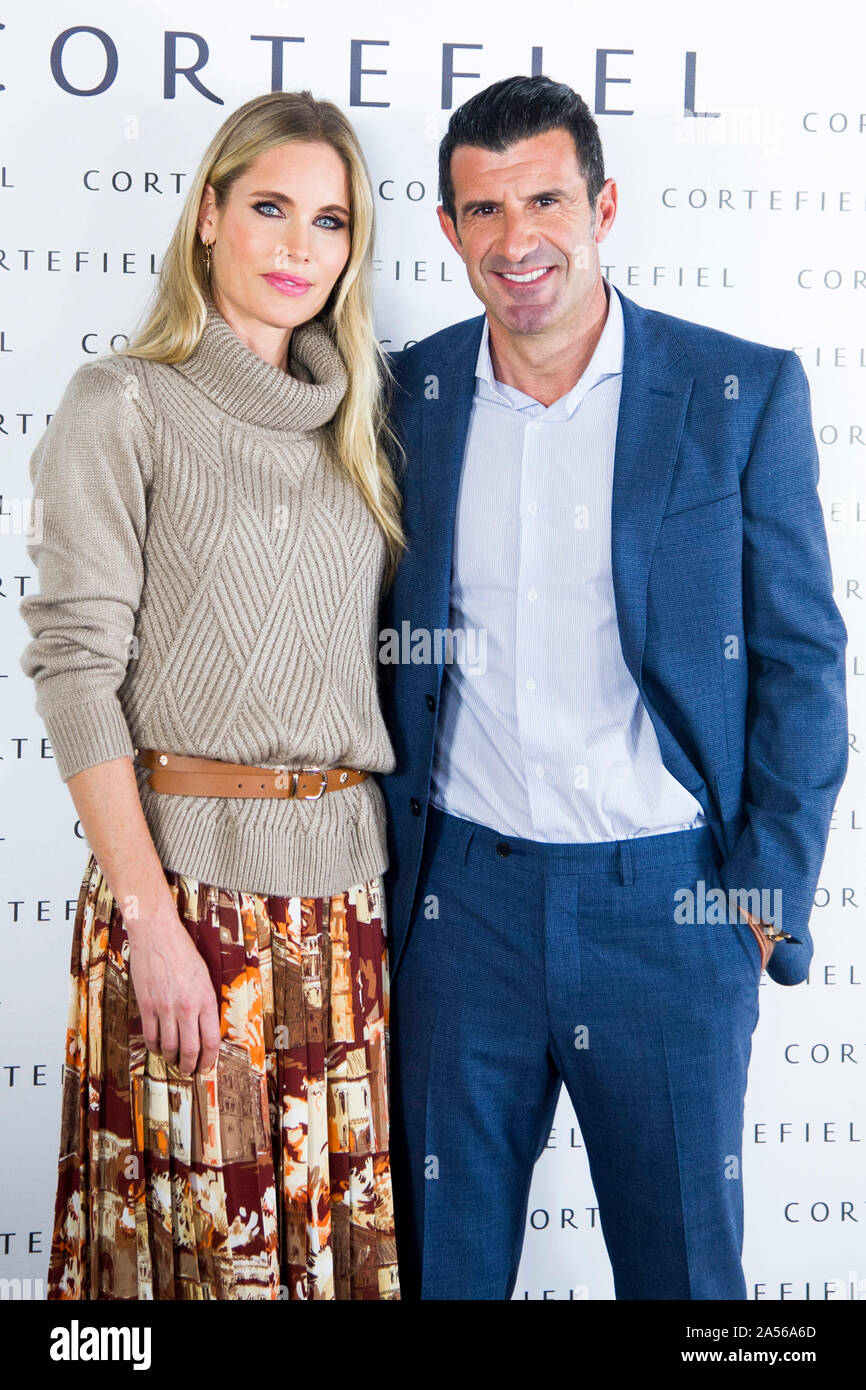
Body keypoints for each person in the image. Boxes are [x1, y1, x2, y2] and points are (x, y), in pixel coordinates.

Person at [377, 74, 849, 1300]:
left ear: (603, 206)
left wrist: (763, 890)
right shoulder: (407, 399)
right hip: (458, 915)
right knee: (443, 1270)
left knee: (688, 1278)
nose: (514, 239)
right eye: (482, 211)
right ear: (447, 230)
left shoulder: (736, 392)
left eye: (543, 199)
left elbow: (798, 661)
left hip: (669, 910)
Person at [19, 89, 404, 1300]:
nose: (299, 247)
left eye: (330, 220)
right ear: (206, 217)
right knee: (188, 1260)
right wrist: (150, 925)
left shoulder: (360, 425)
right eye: (271, 208)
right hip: (184, 904)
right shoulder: (121, 404)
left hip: (341, 911)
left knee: (329, 1259)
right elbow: (77, 670)